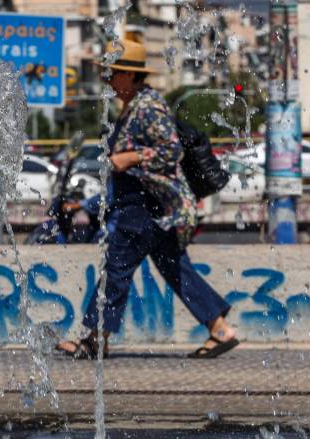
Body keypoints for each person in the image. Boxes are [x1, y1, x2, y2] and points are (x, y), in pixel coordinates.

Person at [55, 39, 239, 359]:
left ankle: (95, 339)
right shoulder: (134, 107)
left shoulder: (149, 106)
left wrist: (131, 157)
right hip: (153, 206)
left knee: (117, 270)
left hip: (142, 205)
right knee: (175, 268)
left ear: (129, 75)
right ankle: (220, 329)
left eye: (112, 74)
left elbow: (172, 151)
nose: (108, 81)